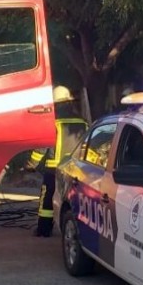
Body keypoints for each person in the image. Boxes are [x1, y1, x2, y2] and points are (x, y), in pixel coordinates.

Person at [27, 86, 89, 237]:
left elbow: (42, 147)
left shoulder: (53, 124)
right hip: (76, 170)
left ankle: (44, 229)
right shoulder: (83, 124)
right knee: (74, 200)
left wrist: (31, 164)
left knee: (47, 201)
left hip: (54, 170)